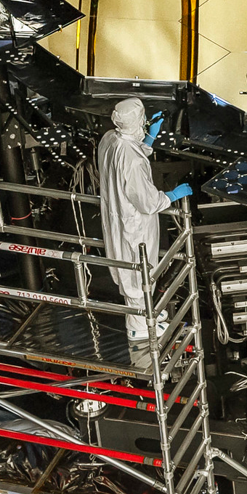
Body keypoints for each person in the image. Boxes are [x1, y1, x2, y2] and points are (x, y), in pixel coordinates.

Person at [96, 97, 192, 344]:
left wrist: (149, 138)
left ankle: (145, 314)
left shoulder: (110, 138)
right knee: (138, 272)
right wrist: (172, 195)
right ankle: (139, 325)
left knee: (131, 270)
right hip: (134, 223)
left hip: (117, 215)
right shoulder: (133, 159)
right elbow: (147, 201)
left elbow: (130, 154)